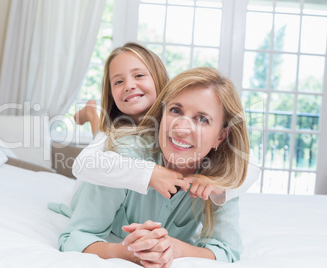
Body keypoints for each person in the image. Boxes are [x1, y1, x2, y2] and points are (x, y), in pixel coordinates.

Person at [58, 67, 249, 266]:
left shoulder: (218, 180)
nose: (182, 129)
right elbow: (73, 238)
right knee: (104, 137)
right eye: (176, 110)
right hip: (91, 176)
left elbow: (227, 250)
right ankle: (93, 114)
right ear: (162, 114)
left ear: (220, 136)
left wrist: (177, 248)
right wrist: (129, 252)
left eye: (202, 119)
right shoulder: (120, 158)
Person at [70, 42, 257, 203]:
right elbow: (83, 164)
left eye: (139, 75)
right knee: (103, 136)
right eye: (118, 82)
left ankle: (91, 113)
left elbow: (251, 167)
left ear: (160, 80)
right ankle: (92, 114)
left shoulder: (175, 119)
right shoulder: (118, 134)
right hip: (90, 182)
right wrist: (148, 174)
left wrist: (221, 186)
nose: (129, 85)